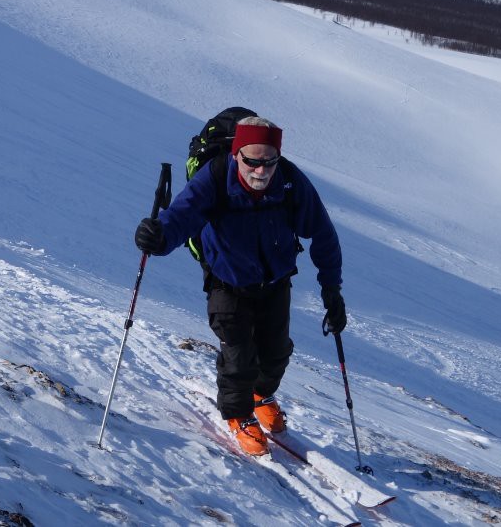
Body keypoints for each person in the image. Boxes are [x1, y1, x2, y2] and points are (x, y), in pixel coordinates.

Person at [134, 116, 346, 456]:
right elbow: (181, 216)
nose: (261, 171)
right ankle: (238, 414)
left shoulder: (290, 181)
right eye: (253, 161)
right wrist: (157, 238)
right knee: (239, 356)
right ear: (236, 154)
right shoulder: (214, 179)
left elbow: (323, 233)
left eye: (269, 161)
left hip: (275, 281)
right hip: (226, 282)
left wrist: (331, 290)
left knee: (276, 352)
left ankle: (261, 395)